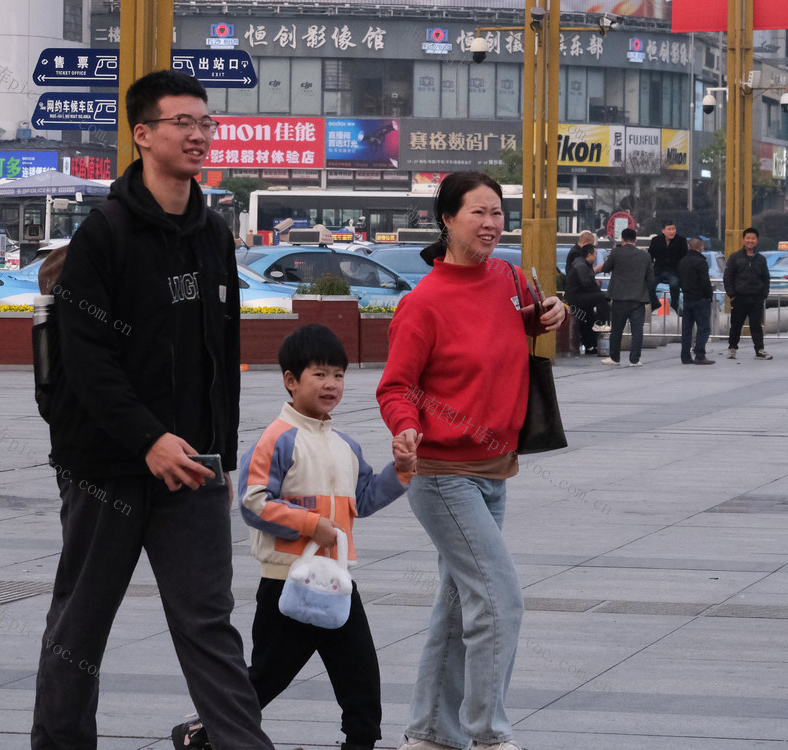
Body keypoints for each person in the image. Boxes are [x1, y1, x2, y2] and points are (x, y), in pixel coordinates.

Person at [31, 71, 275, 750]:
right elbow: (87, 361)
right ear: (143, 135)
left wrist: (218, 455)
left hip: (191, 466)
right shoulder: (104, 234)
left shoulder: (213, 236)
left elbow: (219, 358)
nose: (199, 135)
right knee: (81, 626)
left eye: (207, 122)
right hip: (104, 466)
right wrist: (148, 440)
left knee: (209, 623)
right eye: (183, 123)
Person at [376, 171, 565, 750]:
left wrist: (550, 313)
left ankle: (431, 730)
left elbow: (518, 324)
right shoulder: (423, 304)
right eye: (478, 213)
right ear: (447, 219)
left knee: (459, 606)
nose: (491, 224)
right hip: (442, 475)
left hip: (495, 471)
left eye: (497, 213)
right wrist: (406, 429)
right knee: (500, 599)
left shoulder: (509, 277)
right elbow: (395, 386)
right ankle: (489, 734)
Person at [174, 324, 416, 750]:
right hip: (286, 582)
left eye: (338, 375)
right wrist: (311, 524)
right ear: (291, 380)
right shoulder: (277, 438)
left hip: (337, 582)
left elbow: (364, 499)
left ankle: (360, 742)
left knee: (362, 682)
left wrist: (401, 473)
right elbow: (252, 503)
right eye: (319, 374)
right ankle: (203, 734)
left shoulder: (346, 444)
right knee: (265, 679)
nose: (331, 385)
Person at [600, 227, 655, 367]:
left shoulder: (616, 252)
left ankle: (614, 358)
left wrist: (614, 251)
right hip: (638, 299)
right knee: (637, 331)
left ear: (622, 239)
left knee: (617, 329)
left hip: (619, 298)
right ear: (635, 240)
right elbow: (650, 278)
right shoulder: (645, 255)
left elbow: (606, 268)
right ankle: (635, 359)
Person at [724, 227, 773, 360]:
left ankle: (759, 350)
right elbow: (727, 277)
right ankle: (732, 349)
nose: (750, 241)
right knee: (736, 325)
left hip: (756, 298)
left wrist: (764, 294)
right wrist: (731, 294)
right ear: (744, 239)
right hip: (739, 297)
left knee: (756, 325)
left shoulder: (761, 259)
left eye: (753, 238)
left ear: (756, 240)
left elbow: (766, 278)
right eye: (748, 238)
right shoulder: (735, 257)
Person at [564, 244, 610, 355]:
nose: (596, 257)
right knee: (602, 297)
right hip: (576, 298)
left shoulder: (584, 265)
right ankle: (600, 323)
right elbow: (587, 284)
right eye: (595, 255)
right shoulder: (581, 266)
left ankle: (591, 346)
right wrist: (599, 293)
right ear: (589, 255)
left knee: (588, 319)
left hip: (578, 297)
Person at [677, 237, 715, 365]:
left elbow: (680, 280)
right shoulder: (701, 262)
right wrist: (709, 295)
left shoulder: (682, 261)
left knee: (687, 329)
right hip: (701, 299)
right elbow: (705, 282)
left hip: (687, 298)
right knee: (704, 328)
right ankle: (699, 354)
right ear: (701, 247)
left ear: (688, 246)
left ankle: (685, 356)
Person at [647, 221, 688, 312]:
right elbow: (650, 256)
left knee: (674, 284)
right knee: (649, 284)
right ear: (663, 231)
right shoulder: (656, 240)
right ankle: (655, 304)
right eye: (669, 229)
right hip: (659, 270)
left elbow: (685, 258)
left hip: (674, 270)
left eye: (673, 229)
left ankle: (674, 306)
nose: (671, 231)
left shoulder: (681, 240)